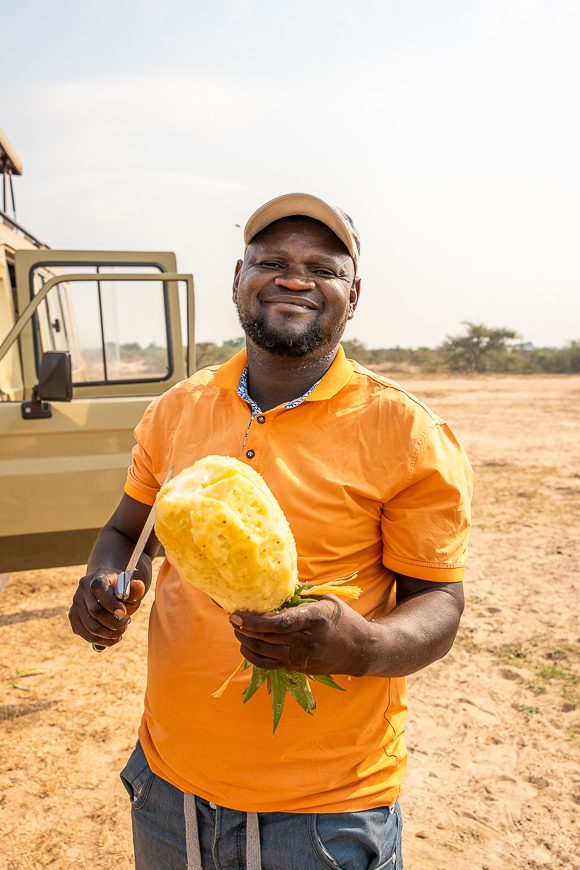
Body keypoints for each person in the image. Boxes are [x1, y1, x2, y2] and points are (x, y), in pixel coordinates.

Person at [69, 192, 473, 870]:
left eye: (323, 266)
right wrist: (106, 579)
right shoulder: (178, 410)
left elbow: (439, 601)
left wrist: (362, 644)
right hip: (169, 788)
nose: (294, 278)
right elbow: (125, 529)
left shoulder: (406, 432)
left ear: (355, 293)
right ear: (238, 278)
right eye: (273, 260)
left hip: (325, 812)